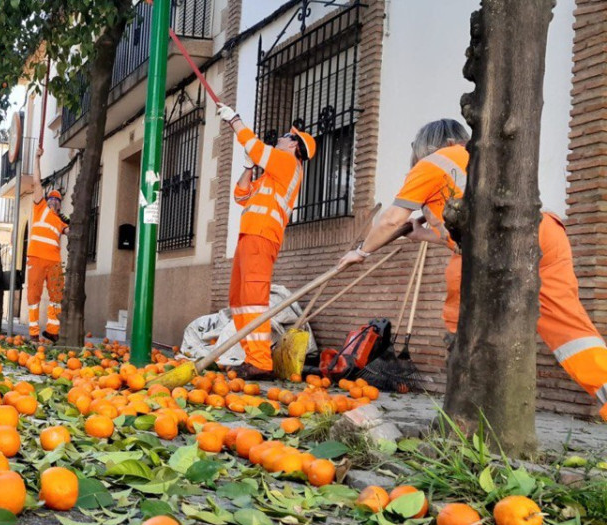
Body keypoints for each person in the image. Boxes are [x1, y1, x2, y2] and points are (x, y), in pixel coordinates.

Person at [339, 118, 607, 420]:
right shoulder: (488, 156)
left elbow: (389, 220)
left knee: (459, 320)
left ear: (424, 146)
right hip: (544, 233)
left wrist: (361, 252)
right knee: (571, 332)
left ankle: (466, 409)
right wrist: (423, 233)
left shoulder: (431, 163)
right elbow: (460, 235)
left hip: (493, 245)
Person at [217, 103, 316, 379]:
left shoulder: (287, 163)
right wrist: (249, 167)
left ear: (295, 147)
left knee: (253, 299)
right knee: (239, 299)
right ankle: (252, 357)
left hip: (262, 237)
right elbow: (241, 195)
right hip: (250, 236)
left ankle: (260, 361)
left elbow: (256, 146)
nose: (283, 136)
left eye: (288, 135)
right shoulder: (272, 175)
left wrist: (235, 120)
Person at [25, 164, 69, 342]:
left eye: (57, 200)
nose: (54, 201)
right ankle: (34, 332)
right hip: (36, 258)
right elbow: (36, 183)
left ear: (60, 205)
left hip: (54, 262)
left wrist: (71, 223)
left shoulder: (61, 222)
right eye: (51, 198)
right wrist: (37, 159)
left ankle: (52, 330)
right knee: (33, 295)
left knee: (57, 295)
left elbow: (72, 233)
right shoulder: (40, 208)